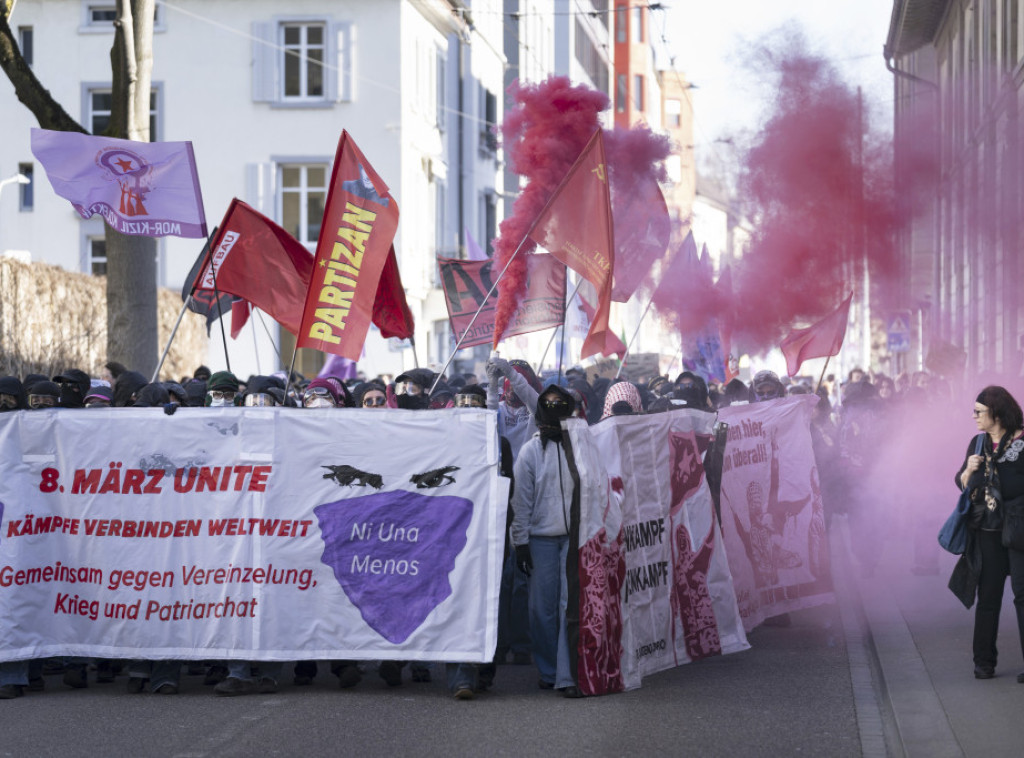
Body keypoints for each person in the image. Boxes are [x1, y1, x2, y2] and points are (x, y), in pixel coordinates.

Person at [511, 383, 582, 698]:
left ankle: (568, 674)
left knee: (570, 605)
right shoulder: (530, 451)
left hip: (574, 538)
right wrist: (521, 543)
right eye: (548, 402)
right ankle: (548, 669)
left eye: (560, 403)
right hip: (540, 541)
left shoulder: (581, 446)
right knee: (542, 609)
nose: (554, 407)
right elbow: (520, 503)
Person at [951, 386, 1024, 681]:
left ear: (997, 412)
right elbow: (961, 483)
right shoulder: (978, 443)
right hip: (988, 530)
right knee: (989, 596)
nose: (974, 417)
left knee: (1023, 596)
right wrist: (968, 471)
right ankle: (983, 662)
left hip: (1019, 530)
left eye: (979, 412)